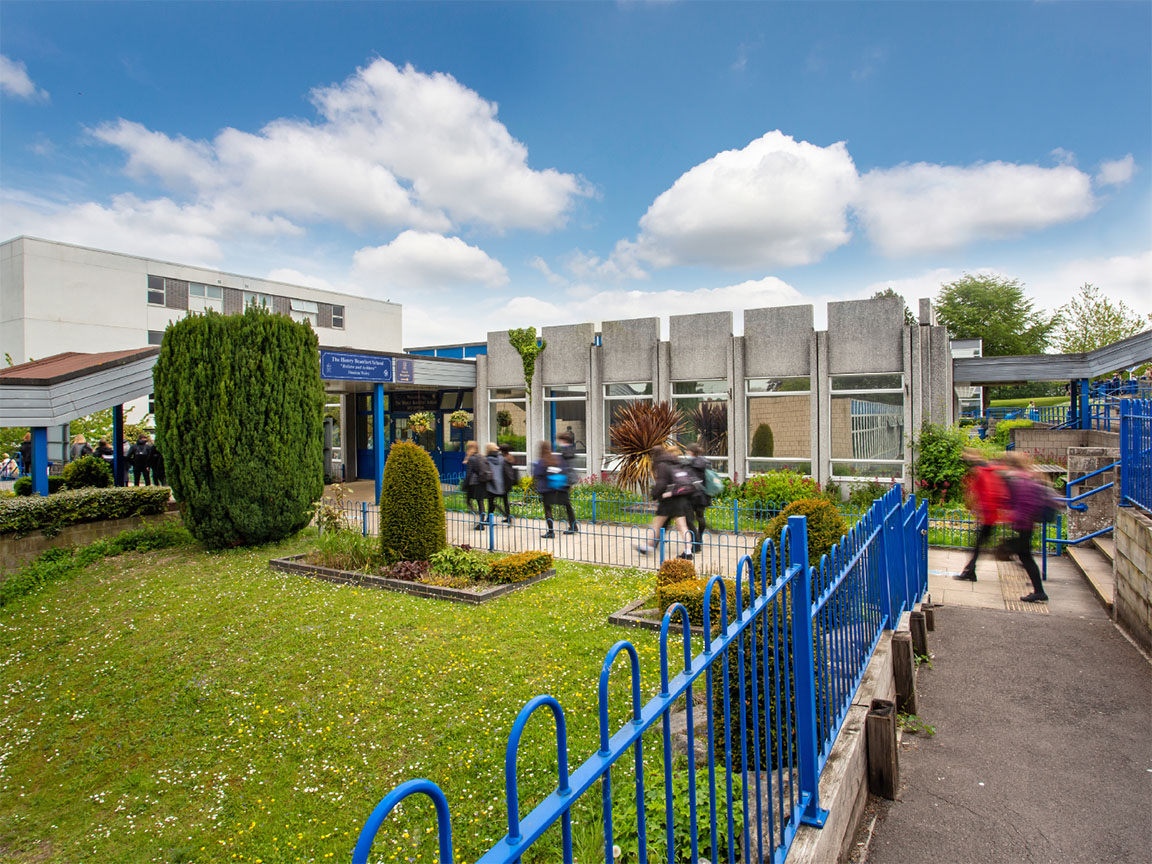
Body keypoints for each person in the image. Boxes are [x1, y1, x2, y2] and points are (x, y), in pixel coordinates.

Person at [1002, 451, 1052, 603]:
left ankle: (1039, 592)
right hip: (1025, 524)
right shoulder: (1025, 477)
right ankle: (1039, 590)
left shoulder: (1021, 480)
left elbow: (1025, 505)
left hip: (1024, 525)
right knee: (1024, 556)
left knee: (1025, 557)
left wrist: (1015, 517)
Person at [954, 449, 1008, 582]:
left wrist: (984, 511)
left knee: (978, 545)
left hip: (988, 516)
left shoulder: (982, 472)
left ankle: (970, 571)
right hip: (990, 515)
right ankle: (970, 571)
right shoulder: (987, 471)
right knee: (978, 545)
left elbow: (987, 494)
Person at [636, 445, 695, 557]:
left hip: (668, 500)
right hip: (679, 497)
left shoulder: (662, 464)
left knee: (657, 524)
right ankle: (688, 551)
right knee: (682, 526)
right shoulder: (676, 462)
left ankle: (647, 546)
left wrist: (654, 495)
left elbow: (661, 484)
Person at [532, 441, 575, 538]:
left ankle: (551, 532)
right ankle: (573, 526)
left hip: (547, 490)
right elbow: (565, 470)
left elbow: (537, 474)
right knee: (568, 507)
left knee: (548, 509)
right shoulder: (558, 458)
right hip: (561, 488)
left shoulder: (542, 461)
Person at [683, 442, 712, 556]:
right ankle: (699, 537)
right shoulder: (706, 462)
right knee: (700, 517)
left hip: (693, 496)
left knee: (689, 520)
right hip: (704, 495)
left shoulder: (692, 464)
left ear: (691, 452)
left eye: (687, 452)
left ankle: (696, 543)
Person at [463, 440, 493, 530]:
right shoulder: (482, 457)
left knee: (468, 500)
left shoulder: (471, 459)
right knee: (480, 502)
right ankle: (481, 521)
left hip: (474, 483)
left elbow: (468, 474)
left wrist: (465, 485)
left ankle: (478, 518)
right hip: (482, 482)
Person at [554, 431, 579, 534]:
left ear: (563, 440)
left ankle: (573, 526)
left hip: (565, 481)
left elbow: (565, 467)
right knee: (566, 504)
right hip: (566, 480)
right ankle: (572, 525)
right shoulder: (569, 450)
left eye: (559, 440)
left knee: (566, 504)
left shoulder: (566, 451)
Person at [491, 444, 518, 524]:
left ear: (502, 451)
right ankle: (508, 517)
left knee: (492, 500)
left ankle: (504, 516)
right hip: (507, 484)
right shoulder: (510, 458)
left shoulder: (504, 460)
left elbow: (504, 472)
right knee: (505, 501)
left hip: (502, 483)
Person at [483, 443, 508, 525]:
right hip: (502, 483)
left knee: (491, 502)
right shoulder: (501, 458)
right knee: (505, 501)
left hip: (492, 483)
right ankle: (508, 516)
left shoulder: (486, 459)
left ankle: (489, 519)